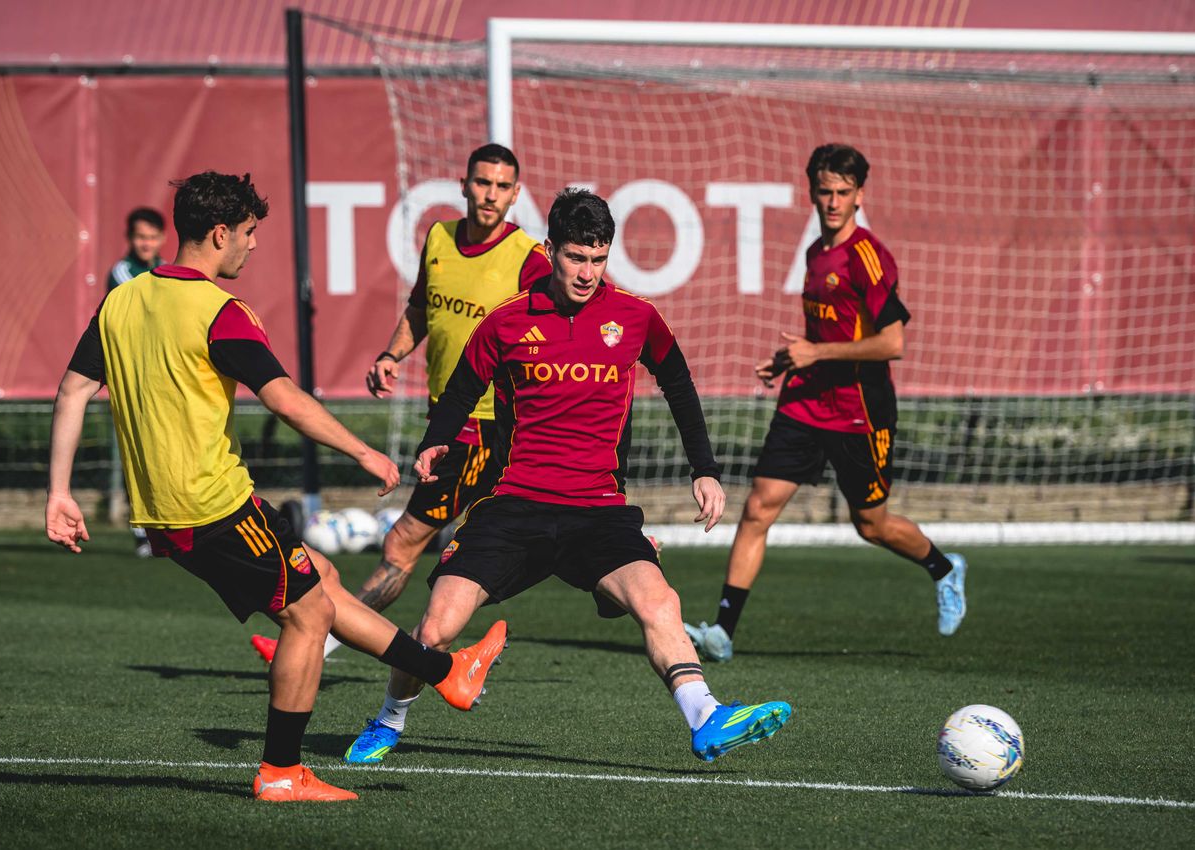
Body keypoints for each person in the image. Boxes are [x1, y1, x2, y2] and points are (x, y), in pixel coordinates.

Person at [46, 171, 506, 802]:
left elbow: (72, 389)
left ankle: (448, 674)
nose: (253, 245)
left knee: (322, 579)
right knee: (309, 614)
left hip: (167, 516)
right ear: (218, 233)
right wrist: (363, 451)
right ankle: (283, 772)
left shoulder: (121, 301)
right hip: (215, 506)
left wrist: (59, 492)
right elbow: (286, 400)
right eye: (248, 233)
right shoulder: (220, 313)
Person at [344, 189, 791, 766]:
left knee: (661, 602)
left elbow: (679, 384)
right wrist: (435, 442)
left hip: (598, 510)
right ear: (550, 250)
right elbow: (461, 391)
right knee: (436, 626)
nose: (587, 272)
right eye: (577, 257)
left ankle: (706, 716)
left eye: (599, 258)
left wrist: (704, 469)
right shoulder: (506, 322)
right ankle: (388, 719)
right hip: (515, 507)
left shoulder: (636, 317)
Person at [249, 143, 551, 664]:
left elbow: (557, 330)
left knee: (402, 546)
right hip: (448, 422)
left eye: (503, 187)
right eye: (483, 183)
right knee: (476, 548)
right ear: (463, 184)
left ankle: (316, 640)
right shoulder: (438, 238)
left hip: (481, 429)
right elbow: (420, 308)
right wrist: (392, 353)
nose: (490, 195)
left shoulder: (528, 259)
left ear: (516, 194)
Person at [684, 144, 967, 664]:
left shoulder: (869, 257)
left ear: (859, 195)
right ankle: (722, 632)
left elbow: (892, 343)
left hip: (860, 407)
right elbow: (823, 334)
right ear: (812, 191)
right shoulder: (816, 253)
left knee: (871, 524)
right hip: (806, 400)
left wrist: (817, 351)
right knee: (757, 508)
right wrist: (793, 360)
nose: (833, 201)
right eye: (824, 191)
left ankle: (945, 570)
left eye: (843, 193)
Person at [106, 207, 168, 558]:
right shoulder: (121, 273)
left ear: (161, 239)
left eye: (152, 237)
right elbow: (148, 313)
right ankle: (144, 533)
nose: (146, 243)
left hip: (166, 376)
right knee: (138, 455)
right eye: (140, 237)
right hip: (134, 377)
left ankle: (171, 529)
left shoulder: (166, 271)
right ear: (131, 239)